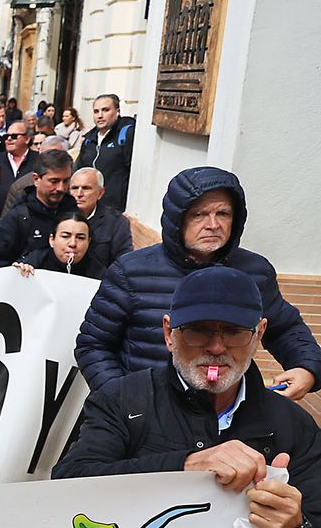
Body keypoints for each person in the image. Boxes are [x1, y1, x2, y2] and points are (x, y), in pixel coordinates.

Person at [54, 266, 321, 528]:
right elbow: (70, 486)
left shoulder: (291, 425)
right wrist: (181, 466)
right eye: (197, 330)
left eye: (233, 331)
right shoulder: (123, 400)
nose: (216, 348)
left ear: (259, 333)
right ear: (168, 333)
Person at [76, 166, 321, 396]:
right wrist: (124, 398)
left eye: (223, 213)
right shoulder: (130, 271)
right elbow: (93, 345)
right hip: (146, 415)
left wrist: (306, 367)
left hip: (224, 415)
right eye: (199, 214)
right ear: (177, 219)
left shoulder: (255, 272)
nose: (212, 225)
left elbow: (285, 329)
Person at [0, 148, 76, 270]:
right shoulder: (18, 218)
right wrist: (16, 269)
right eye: (54, 181)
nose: (60, 188)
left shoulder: (74, 212)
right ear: (36, 179)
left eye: (66, 181)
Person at [67, 166, 133, 274]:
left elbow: (124, 262)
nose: (79, 194)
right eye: (74, 188)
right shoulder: (59, 215)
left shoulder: (117, 222)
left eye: (86, 188)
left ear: (100, 193)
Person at [75, 94, 135, 212]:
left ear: (117, 111)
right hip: (88, 208)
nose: (100, 116)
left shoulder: (126, 135)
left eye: (105, 110)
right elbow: (79, 169)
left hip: (114, 209)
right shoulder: (89, 139)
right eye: (96, 111)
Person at [13, 211, 106, 279]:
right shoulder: (34, 262)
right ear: (52, 240)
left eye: (80, 238)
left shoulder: (98, 272)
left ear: (88, 242)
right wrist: (18, 272)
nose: (73, 243)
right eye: (65, 236)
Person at [0, 121, 33, 221]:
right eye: (6, 136)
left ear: (27, 139)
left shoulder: (38, 160)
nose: (9, 139)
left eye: (14, 136)